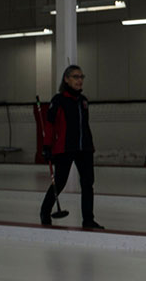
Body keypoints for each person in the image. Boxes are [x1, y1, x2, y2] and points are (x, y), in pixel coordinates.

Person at [40, 65, 103, 229]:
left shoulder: (83, 101)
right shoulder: (58, 100)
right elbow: (50, 125)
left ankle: (88, 219)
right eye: (75, 77)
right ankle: (45, 212)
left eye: (82, 77)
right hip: (65, 148)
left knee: (88, 183)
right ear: (66, 79)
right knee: (59, 182)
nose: (79, 80)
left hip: (85, 148)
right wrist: (47, 146)